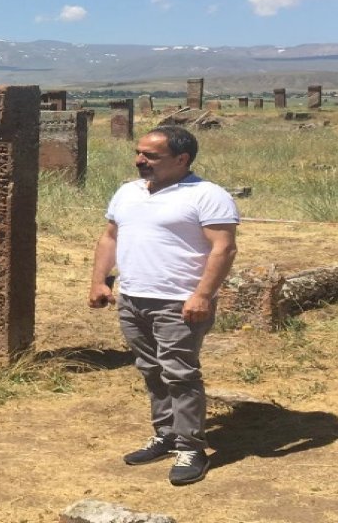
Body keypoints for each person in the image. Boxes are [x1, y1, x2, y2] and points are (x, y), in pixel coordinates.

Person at [88, 125, 238, 486]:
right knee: (151, 369)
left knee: (180, 374)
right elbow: (110, 236)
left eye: (151, 156)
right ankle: (166, 434)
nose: (140, 160)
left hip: (179, 301)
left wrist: (202, 294)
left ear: (182, 158)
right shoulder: (128, 191)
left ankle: (191, 446)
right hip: (133, 296)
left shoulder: (206, 195)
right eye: (139, 153)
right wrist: (99, 281)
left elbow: (224, 248)